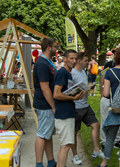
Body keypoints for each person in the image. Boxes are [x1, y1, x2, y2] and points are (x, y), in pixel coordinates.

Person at [70, 52, 104, 165]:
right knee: (74, 132)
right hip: (76, 107)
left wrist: (88, 88)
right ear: (79, 61)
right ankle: (75, 155)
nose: (87, 63)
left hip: (85, 105)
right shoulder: (72, 73)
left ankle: (96, 151)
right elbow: (70, 91)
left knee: (95, 125)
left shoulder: (83, 72)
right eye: (85, 60)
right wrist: (81, 91)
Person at [53, 49, 84, 167]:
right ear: (64, 59)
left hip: (68, 112)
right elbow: (56, 94)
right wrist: (73, 98)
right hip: (63, 114)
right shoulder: (62, 73)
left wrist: (77, 94)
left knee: (66, 144)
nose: (74, 61)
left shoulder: (68, 73)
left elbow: (65, 92)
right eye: (71, 58)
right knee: (66, 145)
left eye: (76, 58)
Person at [33, 38, 57, 167]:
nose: (56, 49)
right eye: (54, 47)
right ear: (48, 48)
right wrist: (53, 105)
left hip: (45, 104)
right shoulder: (42, 63)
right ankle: (38, 163)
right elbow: (44, 87)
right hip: (44, 105)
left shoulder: (45, 62)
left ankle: (51, 161)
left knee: (47, 134)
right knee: (42, 134)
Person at [100, 49, 120, 150]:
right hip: (108, 95)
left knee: (119, 119)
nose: (116, 55)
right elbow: (102, 78)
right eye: (115, 53)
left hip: (119, 97)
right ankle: (104, 141)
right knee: (105, 119)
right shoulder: (108, 64)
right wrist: (101, 93)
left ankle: (117, 140)